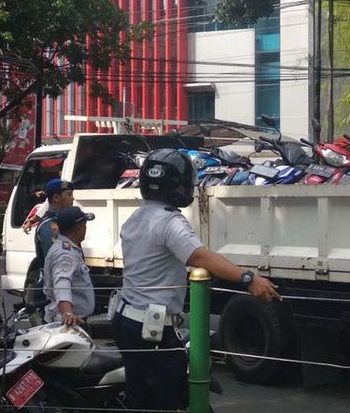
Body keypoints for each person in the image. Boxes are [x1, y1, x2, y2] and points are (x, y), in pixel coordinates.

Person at [112, 149, 281, 411]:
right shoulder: (170, 221)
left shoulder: (137, 217)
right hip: (151, 329)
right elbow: (200, 257)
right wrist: (248, 277)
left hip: (127, 320)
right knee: (167, 399)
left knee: (141, 397)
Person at [24, 179, 75, 325]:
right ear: (56, 198)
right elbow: (57, 265)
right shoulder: (50, 226)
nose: (73, 198)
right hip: (52, 295)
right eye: (69, 194)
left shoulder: (60, 221)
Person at [43, 206, 96, 325]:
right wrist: (67, 313)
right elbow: (62, 283)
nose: (85, 228)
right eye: (84, 225)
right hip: (68, 323)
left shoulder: (67, 248)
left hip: (70, 321)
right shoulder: (65, 254)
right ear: (78, 227)